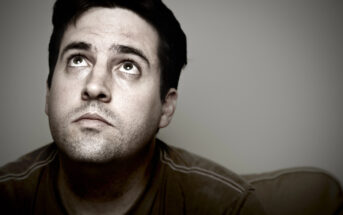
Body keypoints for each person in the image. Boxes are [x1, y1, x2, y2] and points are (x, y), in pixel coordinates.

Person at [0, 0, 266, 214]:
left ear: (166, 107)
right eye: (78, 60)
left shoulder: (228, 208)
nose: (94, 86)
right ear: (48, 93)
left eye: (128, 66)